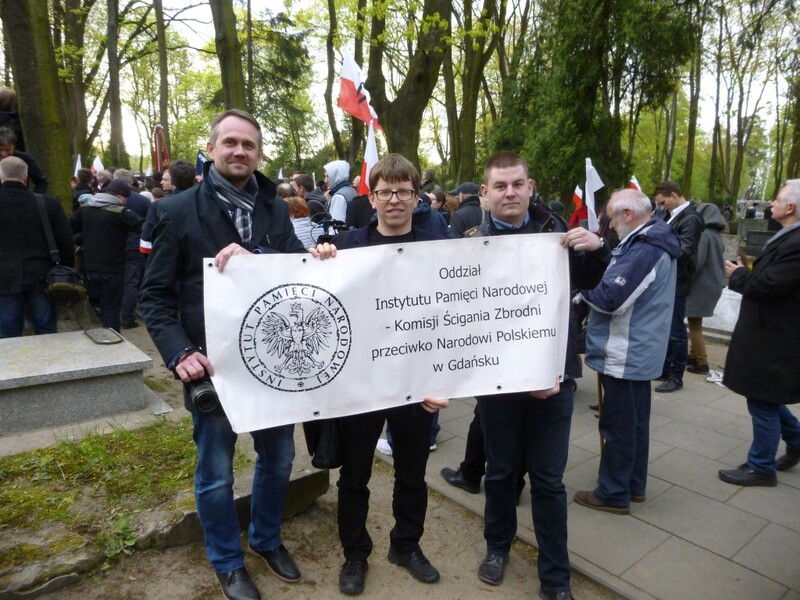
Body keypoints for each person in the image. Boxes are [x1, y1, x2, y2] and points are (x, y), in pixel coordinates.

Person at [139, 109, 306, 600]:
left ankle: (266, 538)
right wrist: (179, 353)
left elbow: (296, 270)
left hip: (274, 362)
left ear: (259, 154)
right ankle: (227, 561)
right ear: (210, 149)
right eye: (230, 142)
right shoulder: (174, 211)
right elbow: (154, 296)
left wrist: (266, 260)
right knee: (215, 472)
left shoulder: (276, 209)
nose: (239, 151)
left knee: (279, 458)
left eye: (248, 145)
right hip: (211, 366)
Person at [470, 152, 610, 600]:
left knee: (549, 482)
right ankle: (497, 548)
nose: (510, 193)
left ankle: (555, 575)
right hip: (498, 384)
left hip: (554, 381)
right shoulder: (469, 244)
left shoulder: (558, 234)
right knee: (500, 473)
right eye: (500, 186)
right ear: (485, 193)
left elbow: (592, 282)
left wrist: (598, 247)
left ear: (530, 188)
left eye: (518, 184)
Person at [309, 154, 448, 597]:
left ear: (416, 196)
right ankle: (355, 553)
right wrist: (319, 260)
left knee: (413, 474)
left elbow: (454, 314)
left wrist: (444, 378)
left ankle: (406, 546)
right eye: (385, 191)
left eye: (403, 191)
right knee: (354, 476)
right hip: (360, 385)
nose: (394, 200)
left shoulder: (437, 247)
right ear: (371, 197)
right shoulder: (345, 246)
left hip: (414, 383)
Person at [570, 189, 679, 514]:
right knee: (635, 424)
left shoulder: (644, 249)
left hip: (625, 350)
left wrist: (579, 290)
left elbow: (610, 298)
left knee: (617, 425)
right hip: (639, 349)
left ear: (627, 214)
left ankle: (613, 492)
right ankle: (633, 484)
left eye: (611, 218)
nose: (610, 225)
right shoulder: (652, 240)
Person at [718, 181, 800, 486]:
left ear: (790, 207)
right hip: (770, 331)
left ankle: (761, 467)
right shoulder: (789, 236)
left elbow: (770, 285)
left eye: (776, 199)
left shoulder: (796, 242)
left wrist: (739, 275)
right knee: (766, 396)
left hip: (775, 335)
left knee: (763, 400)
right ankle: (797, 439)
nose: (771, 203)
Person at [0, 156, 73, 338]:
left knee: (8, 334)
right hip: (42, 274)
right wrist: (67, 268)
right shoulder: (48, 204)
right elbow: (65, 241)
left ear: (1, 176)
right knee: (46, 330)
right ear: (26, 177)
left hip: (4, 276)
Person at [71, 179, 143, 332]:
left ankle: (102, 330)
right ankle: (111, 337)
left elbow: (70, 227)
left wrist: (82, 238)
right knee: (112, 307)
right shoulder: (121, 213)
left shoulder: (85, 209)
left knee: (99, 304)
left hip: (89, 267)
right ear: (120, 196)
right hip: (113, 268)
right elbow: (142, 227)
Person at [652, 181, 703, 393]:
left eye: (663, 202)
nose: (661, 207)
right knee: (666, 327)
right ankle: (664, 368)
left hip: (678, 280)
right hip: (669, 278)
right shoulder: (672, 215)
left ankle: (676, 375)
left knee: (675, 330)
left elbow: (684, 251)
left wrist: (657, 245)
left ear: (674, 195)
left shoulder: (690, 218)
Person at [685, 203, 726, 374]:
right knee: (696, 321)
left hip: (700, 285)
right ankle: (693, 355)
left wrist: (685, 276)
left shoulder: (704, 235)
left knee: (694, 325)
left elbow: (697, 263)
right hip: (712, 285)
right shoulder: (717, 236)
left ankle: (702, 362)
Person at [112, 169, 151, 329]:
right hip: (135, 246)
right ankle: (127, 316)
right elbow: (149, 224)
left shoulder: (108, 200)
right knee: (132, 281)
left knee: (120, 280)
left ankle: (118, 313)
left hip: (117, 245)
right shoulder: (142, 201)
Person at [0, 127, 47, 193]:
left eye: (8, 150)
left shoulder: (25, 158)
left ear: (14, 146)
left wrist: (35, 197)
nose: (4, 154)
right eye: (0, 150)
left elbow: (41, 182)